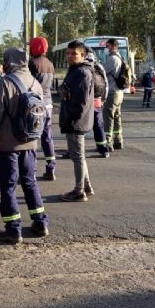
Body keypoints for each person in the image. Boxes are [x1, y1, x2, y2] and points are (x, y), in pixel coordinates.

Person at [0, 47, 49, 244]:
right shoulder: (35, 83)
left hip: (9, 147)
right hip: (30, 143)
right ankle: (41, 223)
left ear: (8, 61)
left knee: (8, 186)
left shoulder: (5, 83)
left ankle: (13, 229)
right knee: (30, 182)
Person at [58, 40, 95, 202]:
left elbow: (80, 102)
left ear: (83, 55)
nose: (70, 56)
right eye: (68, 53)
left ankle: (79, 191)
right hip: (76, 120)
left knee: (77, 157)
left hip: (76, 121)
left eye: (74, 53)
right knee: (78, 156)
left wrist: (71, 119)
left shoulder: (82, 73)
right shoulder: (76, 70)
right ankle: (86, 186)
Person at [29, 36, 57, 180]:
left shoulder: (32, 63)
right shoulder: (50, 64)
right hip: (48, 104)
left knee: (32, 137)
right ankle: (51, 167)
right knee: (47, 137)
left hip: (36, 105)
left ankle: (31, 171)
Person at [85, 48, 110, 158]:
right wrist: (103, 99)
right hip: (97, 100)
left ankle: (75, 151)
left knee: (78, 127)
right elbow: (106, 84)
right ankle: (104, 150)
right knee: (99, 126)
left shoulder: (81, 66)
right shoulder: (99, 66)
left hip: (85, 102)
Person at [103, 38, 126, 150]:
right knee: (117, 117)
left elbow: (102, 71)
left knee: (108, 118)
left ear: (112, 46)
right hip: (119, 92)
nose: (106, 48)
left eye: (107, 46)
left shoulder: (112, 59)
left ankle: (108, 143)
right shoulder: (120, 57)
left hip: (112, 92)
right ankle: (118, 140)